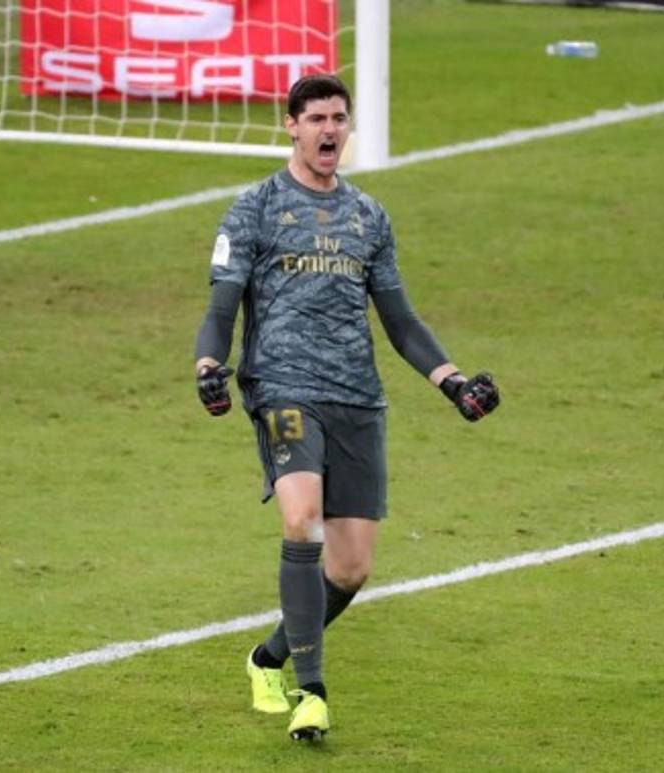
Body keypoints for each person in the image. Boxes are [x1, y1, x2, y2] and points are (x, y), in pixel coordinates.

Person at [193, 74, 500, 742]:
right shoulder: (254, 209)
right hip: (282, 388)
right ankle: (313, 692)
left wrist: (452, 382)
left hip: (357, 397)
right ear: (291, 126)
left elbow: (400, 319)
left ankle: (268, 658)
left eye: (339, 118)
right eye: (317, 119)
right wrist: (208, 365)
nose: (330, 130)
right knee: (300, 520)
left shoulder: (368, 217)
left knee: (352, 566)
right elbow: (222, 304)